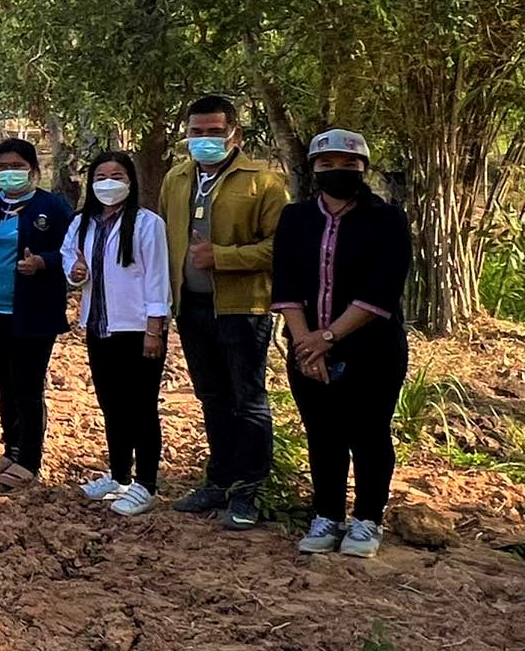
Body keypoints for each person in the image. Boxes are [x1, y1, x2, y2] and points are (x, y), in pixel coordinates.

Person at [272, 130, 413, 561]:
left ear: (363, 168)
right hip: (307, 349)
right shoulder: (295, 218)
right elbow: (286, 283)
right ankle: (327, 515)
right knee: (323, 433)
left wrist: (328, 337)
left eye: (349, 164)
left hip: (372, 349)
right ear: (313, 169)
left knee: (369, 432)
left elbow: (381, 289)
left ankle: (367, 518)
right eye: (327, 164)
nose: (338, 171)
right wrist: (306, 344)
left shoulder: (388, 219)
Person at [158, 94, 288, 531]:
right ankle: (218, 480)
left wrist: (223, 257)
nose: (205, 140)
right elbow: (165, 236)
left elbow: (280, 247)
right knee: (212, 397)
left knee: (247, 399)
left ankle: (248, 491)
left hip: (242, 307)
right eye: (196, 132)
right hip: (191, 307)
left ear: (236, 134)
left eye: (215, 132)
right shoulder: (177, 178)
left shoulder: (263, 182)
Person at [0, 138, 72, 492]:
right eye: (3, 167)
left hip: (32, 313)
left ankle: (30, 460)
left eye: (18, 167)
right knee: (4, 385)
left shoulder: (52, 206)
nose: (10, 173)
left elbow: (72, 252)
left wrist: (43, 262)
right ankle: (12, 449)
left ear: (33, 170)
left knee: (27, 387)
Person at [61, 151, 171, 516]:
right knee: (112, 404)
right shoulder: (83, 222)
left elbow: (157, 277)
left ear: (130, 182)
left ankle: (146, 484)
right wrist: (74, 271)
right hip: (100, 326)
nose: (108, 183)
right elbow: (68, 254)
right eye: (101, 176)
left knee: (141, 407)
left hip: (137, 329)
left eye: (117, 176)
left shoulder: (147, 223)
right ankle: (119, 475)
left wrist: (154, 329)